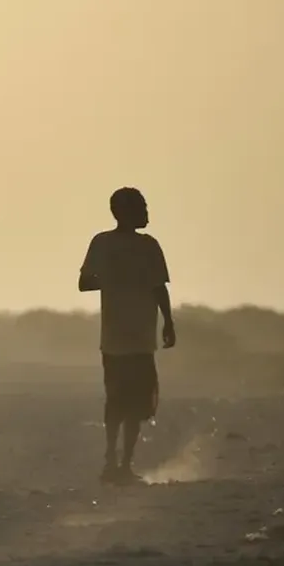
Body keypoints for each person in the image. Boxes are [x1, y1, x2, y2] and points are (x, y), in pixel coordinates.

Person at [79, 187, 175, 485]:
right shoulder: (104, 243)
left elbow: (159, 287)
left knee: (135, 402)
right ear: (126, 211)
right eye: (142, 207)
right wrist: (118, 276)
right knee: (118, 399)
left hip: (139, 336)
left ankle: (124, 464)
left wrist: (168, 322)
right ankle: (112, 461)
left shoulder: (149, 246)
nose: (147, 213)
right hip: (118, 336)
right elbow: (85, 282)